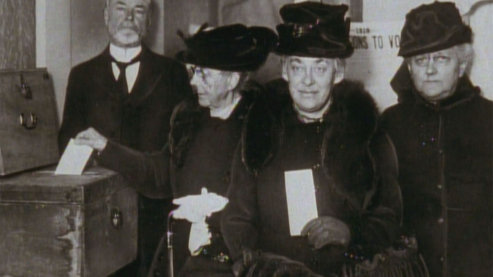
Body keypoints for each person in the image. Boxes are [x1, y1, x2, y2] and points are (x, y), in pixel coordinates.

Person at [74, 24, 277, 276]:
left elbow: (267, 205)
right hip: (180, 252)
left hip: (233, 261)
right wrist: (106, 147)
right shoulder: (188, 118)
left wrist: (214, 214)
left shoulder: (260, 123)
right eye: (194, 72)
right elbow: (159, 174)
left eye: (204, 75)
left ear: (232, 79)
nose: (193, 82)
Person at [221, 2, 403, 276]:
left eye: (319, 69)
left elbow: (389, 215)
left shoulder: (367, 134)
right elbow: (237, 218)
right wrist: (257, 267)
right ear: (285, 71)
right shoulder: (261, 131)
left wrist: (352, 234)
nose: (307, 81)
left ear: (337, 73)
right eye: (298, 67)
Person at [57, 0, 192, 275]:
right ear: (107, 16)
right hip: (100, 226)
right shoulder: (82, 76)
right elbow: (66, 147)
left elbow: (180, 156)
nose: (129, 17)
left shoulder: (173, 74)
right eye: (121, 8)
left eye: (139, 10)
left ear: (149, 20)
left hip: (155, 225)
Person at [380, 2, 493, 277]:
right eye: (420, 61)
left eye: (441, 59)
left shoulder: (490, 119)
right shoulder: (390, 123)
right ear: (409, 68)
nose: (429, 70)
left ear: (462, 63)